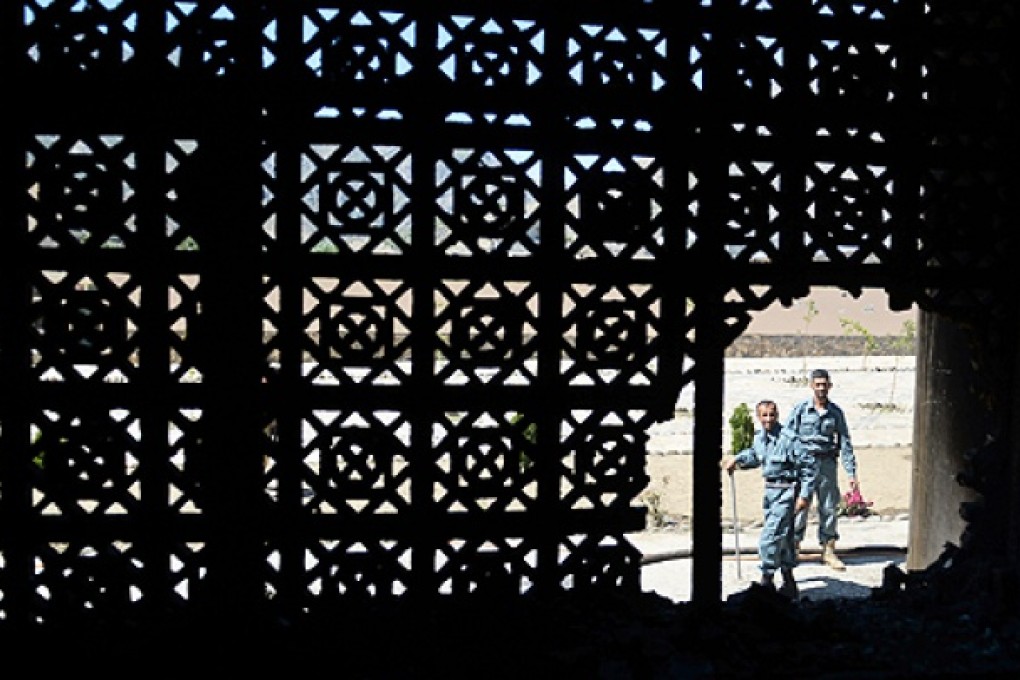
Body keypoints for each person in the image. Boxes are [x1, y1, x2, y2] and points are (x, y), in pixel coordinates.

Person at [721, 399, 817, 598]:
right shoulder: (760, 439)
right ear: (758, 417)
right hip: (770, 492)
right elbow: (755, 456)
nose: (768, 419)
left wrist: (804, 496)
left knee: (770, 537)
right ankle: (789, 580)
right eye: (764, 415)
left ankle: (767, 580)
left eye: (772, 415)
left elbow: (809, 468)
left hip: (787, 491)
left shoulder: (789, 439)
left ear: (777, 415)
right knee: (785, 536)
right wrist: (737, 460)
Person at [786, 368, 859, 570]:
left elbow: (845, 442)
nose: (821, 388)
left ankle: (828, 550)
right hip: (804, 465)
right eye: (817, 384)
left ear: (830, 386)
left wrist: (851, 473)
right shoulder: (801, 410)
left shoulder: (835, 413)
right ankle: (793, 548)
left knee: (828, 508)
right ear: (811, 386)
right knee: (800, 508)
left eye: (824, 385)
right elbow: (788, 437)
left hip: (827, 465)